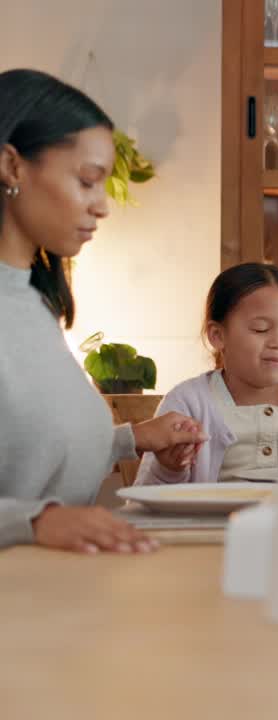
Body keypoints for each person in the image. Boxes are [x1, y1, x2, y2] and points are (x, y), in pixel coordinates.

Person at [0, 69, 206, 553]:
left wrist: (131, 439)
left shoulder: (33, 304)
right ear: (11, 166)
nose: (101, 206)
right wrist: (35, 523)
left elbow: (25, 445)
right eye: (87, 181)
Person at [135, 263, 278, 485]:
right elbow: (145, 502)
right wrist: (169, 468)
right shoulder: (188, 403)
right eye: (260, 329)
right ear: (217, 335)